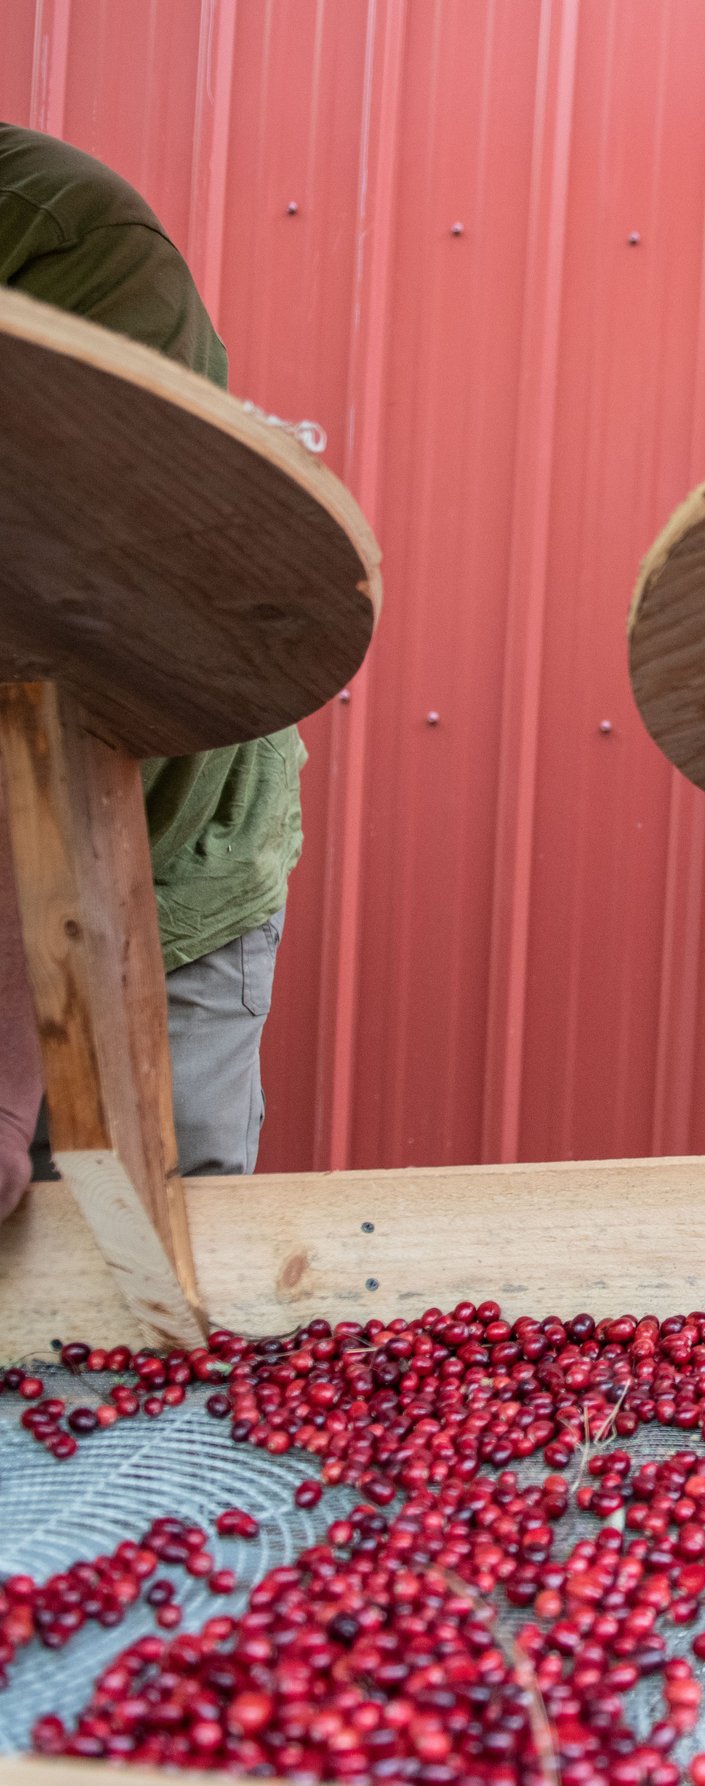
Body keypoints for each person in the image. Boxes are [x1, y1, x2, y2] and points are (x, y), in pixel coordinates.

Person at [0, 124, 304, 1220]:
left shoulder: (62, 246)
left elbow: (71, 663)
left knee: (131, 1258)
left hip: (132, 844)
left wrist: (6, 1091)